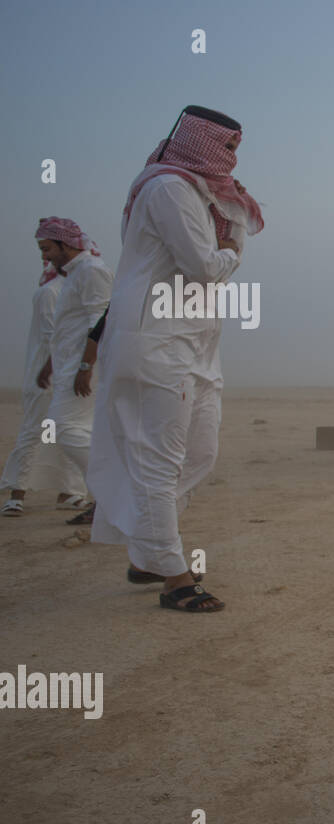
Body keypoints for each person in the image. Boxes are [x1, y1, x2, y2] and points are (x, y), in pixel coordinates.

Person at [87, 105, 263, 612]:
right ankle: (174, 578)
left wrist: (232, 236)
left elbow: (223, 249)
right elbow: (205, 267)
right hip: (154, 342)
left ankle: (147, 551)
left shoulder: (207, 196)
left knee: (200, 452)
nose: (232, 157)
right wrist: (232, 249)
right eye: (226, 147)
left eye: (235, 148)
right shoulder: (169, 189)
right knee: (158, 464)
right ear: (198, 143)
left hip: (196, 345)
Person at [33, 218, 114, 525]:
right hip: (70, 365)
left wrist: (86, 366)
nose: (45, 257)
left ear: (66, 244)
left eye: (47, 248)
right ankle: (104, 500)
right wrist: (52, 365)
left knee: (63, 427)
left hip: (83, 367)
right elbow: (69, 328)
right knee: (82, 431)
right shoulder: (75, 274)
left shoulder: (92, 271)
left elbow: (102, 320)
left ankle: (112, 494)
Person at [0, 255, 89, 516]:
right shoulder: (49, 293)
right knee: (34, 432)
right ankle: (17, 492)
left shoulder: (72, 290)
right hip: (46, 377)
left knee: (68, 432)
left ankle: (70, 491)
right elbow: (56, 337)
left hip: (67, 375)